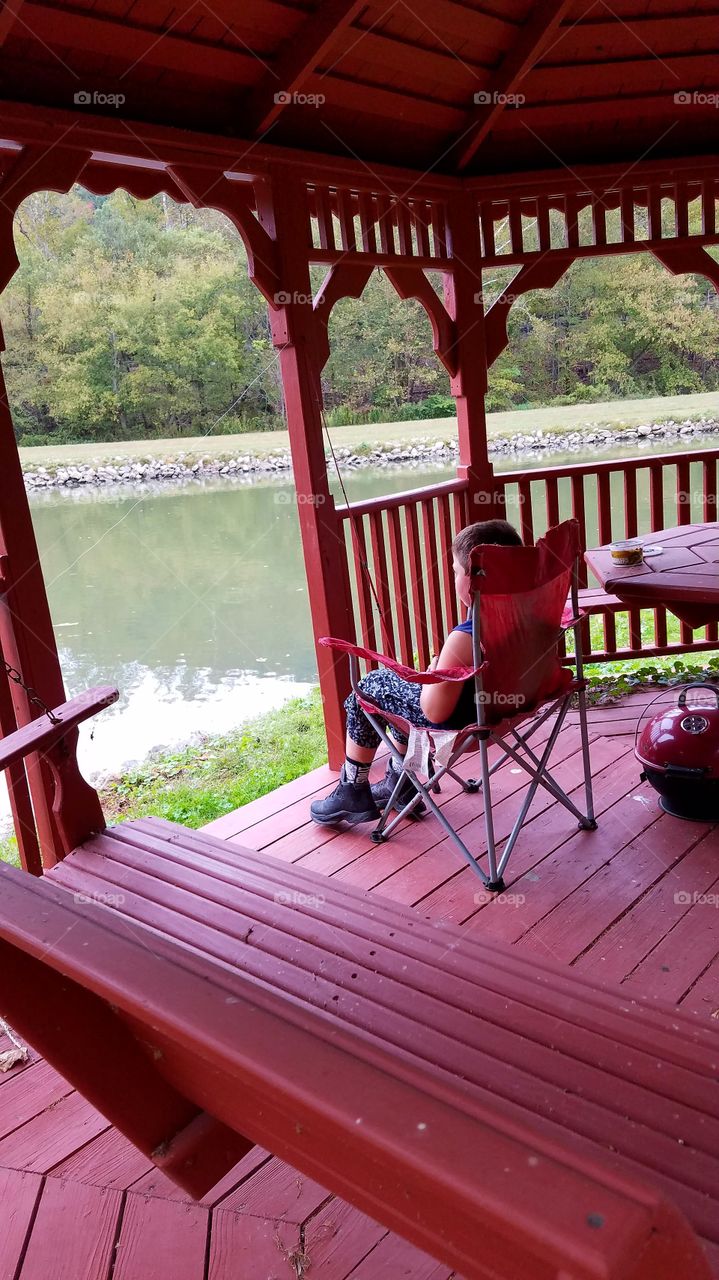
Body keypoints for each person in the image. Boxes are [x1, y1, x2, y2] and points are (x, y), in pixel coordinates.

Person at [310, 517, 523, 826]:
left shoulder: (466, 638)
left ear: (473, 580)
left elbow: (433, 711)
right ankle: (401, 781)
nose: (453, 577)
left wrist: (434, 674)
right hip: (506, 710)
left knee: (368, 688)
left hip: (460, 724)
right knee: (396, 694)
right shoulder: (526, 619)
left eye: (455, 571)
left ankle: (352, 789)